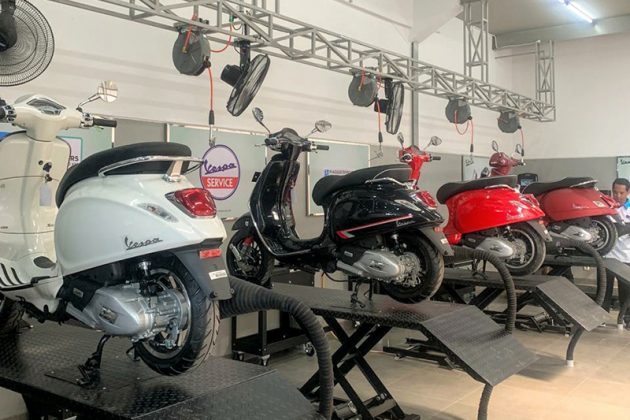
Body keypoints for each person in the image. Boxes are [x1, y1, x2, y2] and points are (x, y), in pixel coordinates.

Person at [604, 178, 630, 320]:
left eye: (621, 193)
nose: (618, 196)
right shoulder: (606, 207)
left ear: (628, 192)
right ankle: (600, 318)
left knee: (625, 291)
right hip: (608, 255)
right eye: (615, 192)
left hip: (626, 256)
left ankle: (625, 319)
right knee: (604, 290)